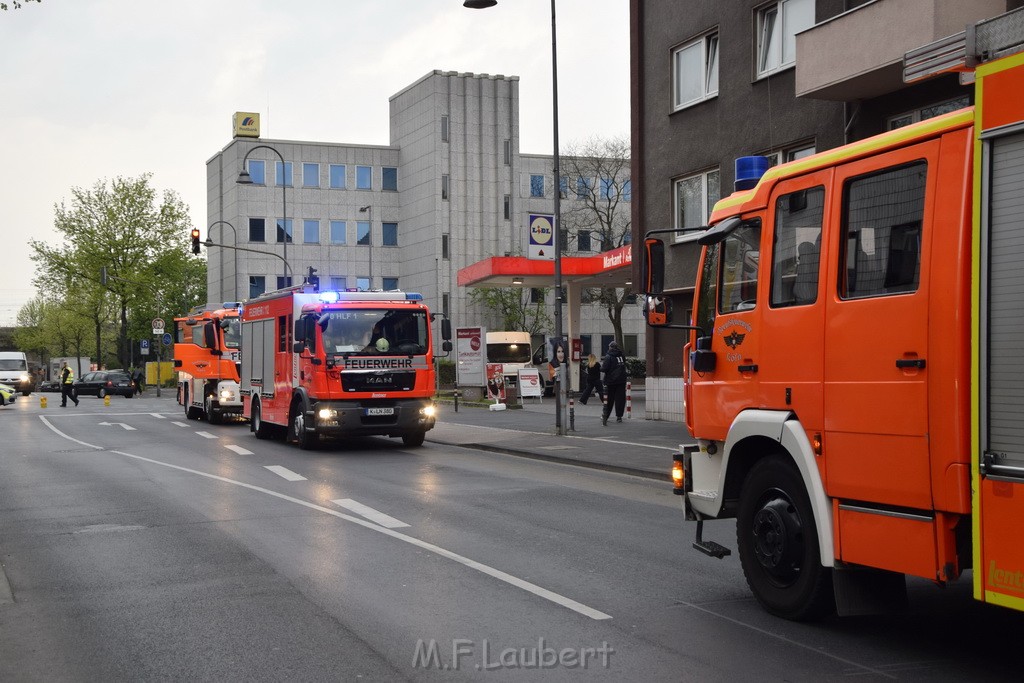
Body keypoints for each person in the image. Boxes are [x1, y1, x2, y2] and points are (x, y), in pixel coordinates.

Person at [600, 341, 627, 426]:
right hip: (621, 381)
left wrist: (599, 368)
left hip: (611, 381)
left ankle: (606, 416)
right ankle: (619, 416)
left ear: (610, 347)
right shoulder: (622, 356)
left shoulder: (608, 357)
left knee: (609, 400)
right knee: (620, 399)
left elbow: (604, 369)